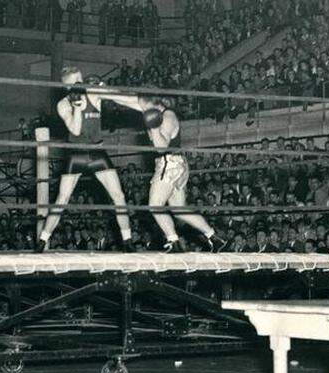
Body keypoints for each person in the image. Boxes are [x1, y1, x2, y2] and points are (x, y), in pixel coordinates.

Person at [103, 93, 227, 252]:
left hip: (170, 164)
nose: (143, 110)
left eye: (145, 108)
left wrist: (154, 128)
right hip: (175, 164)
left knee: (155, 206)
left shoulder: (168, 117)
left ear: (155, 105)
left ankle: (174, 241)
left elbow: (162, 147)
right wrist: (104, 93)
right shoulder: (152, 108)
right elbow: (129, 101)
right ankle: (215, 238)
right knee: (178, 209)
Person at [36, 67, 133, 252]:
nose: (82, 84)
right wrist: (78, 108)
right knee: (62, 198)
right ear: (67, 87)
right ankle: (42, 240)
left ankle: (127, 241)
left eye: (82, 79)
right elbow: (75, 130)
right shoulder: (63, 104)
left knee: (118, 196)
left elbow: (115, 97)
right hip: (77, 155)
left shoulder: (93, 94)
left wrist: (104, 88)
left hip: (97, 153)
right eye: (77, 82)